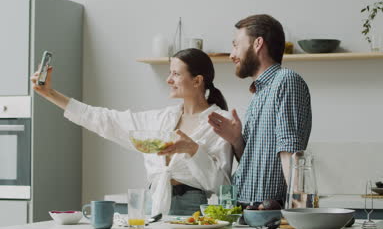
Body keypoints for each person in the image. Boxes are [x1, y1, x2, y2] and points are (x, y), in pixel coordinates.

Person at [31, 48, 233, 215]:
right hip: (152, 205)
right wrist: (50, 93)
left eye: (176, 74)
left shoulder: (220, 123)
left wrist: (192, 149)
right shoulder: (161, 119)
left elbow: (221, 185)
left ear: (197, 81)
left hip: (192, 210)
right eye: (169, 72)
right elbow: (104, 120)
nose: (168, 80)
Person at [208, 14, 312, 207]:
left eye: (236, 45)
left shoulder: (285, 81)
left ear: (257, 44)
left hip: (271, 214)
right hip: (250, 210)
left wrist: (299, 211)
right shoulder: (259, 93)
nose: (232, 55)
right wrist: (237, 140)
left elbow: (290, 150)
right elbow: (252, 162)